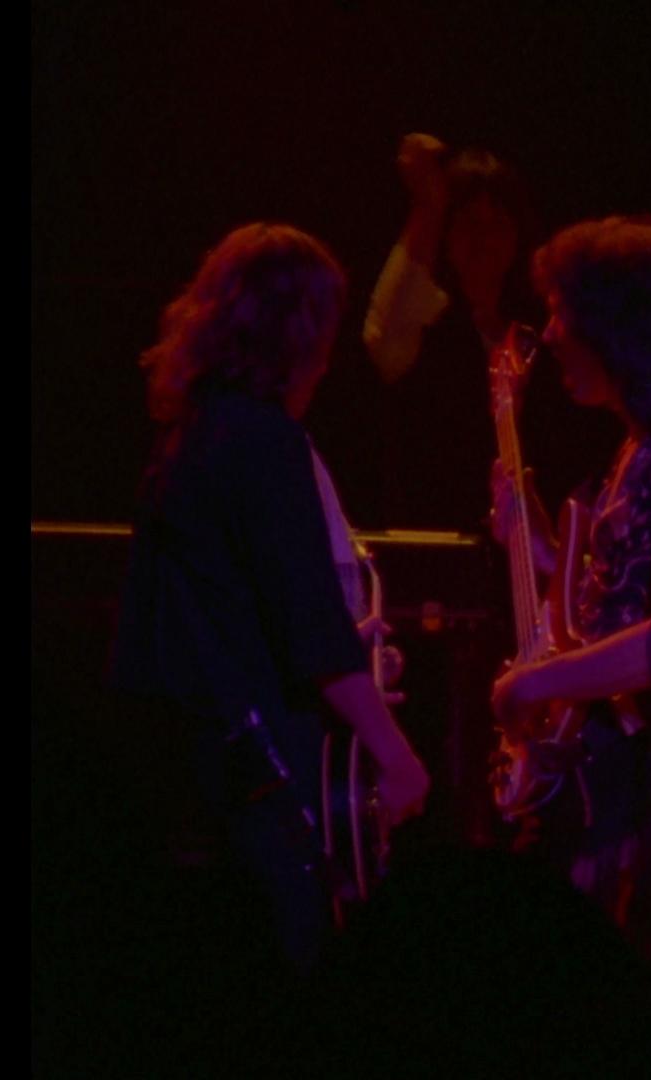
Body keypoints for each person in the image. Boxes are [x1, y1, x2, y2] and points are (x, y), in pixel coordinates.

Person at [109, 222, 432, 973]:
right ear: (301, 334)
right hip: (258, 776)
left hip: (189, 760)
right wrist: (395, 752)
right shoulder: (265, 440)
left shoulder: (192, 435)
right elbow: (310, 629)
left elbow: (232, 614)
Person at [485, 215, 651, 1021]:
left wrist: (531, 685)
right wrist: (534, 542)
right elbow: (606, 612)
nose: (554, 333)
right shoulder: (638, 449)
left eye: (565, 312)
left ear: (620, 325)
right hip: (602, 786)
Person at [363, 133, 614, 528]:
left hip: (536, 558)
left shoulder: (543, 334)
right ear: (445, 235)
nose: (483, 236)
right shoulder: (422, 328)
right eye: (468, 221)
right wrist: (428, 205)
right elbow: (382, 334)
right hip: (441, 550)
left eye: (497, 220)